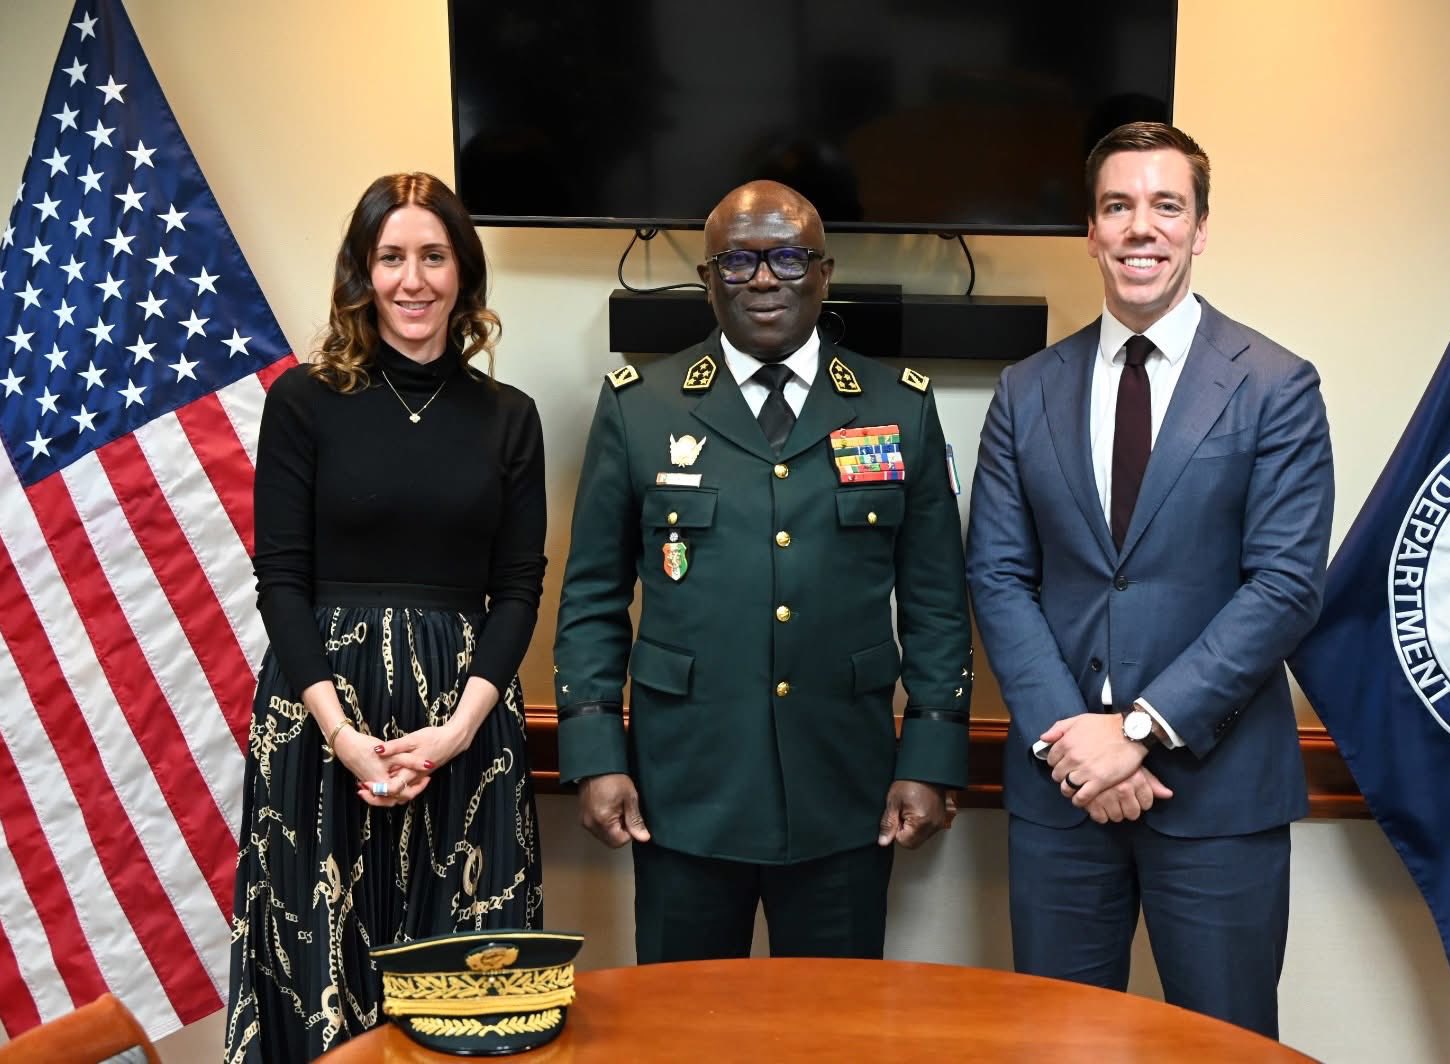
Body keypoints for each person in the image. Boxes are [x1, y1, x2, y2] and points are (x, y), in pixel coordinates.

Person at [965, 123, 1334, 1038]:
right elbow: (999, 576)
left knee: (1225, 1047)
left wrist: (1136, 730)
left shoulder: (1275, 386)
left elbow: (1284, 586)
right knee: (1057, 1044)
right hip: (1061, 794)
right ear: (1090, 232)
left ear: (1200, 228)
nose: (1142, 227)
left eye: (1167, 206)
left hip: (1217, 797)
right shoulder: (1025, 391)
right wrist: (1075, 746)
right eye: (1118, 206)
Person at [553, 180, 972, 963]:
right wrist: (595, 754)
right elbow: (592, 599)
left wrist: (931, 756)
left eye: (788, 257)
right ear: (708, 279)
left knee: (833, 1025)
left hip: (843, 787)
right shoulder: (641, 408)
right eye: (738, 261)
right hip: (684, 789)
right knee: (682, 1023)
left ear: (824, 273)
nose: (763, 279)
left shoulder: (897, 406)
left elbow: (937, 603)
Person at [223, 173, 546, 1062]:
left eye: (434, 257)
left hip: (466, 727)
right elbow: (281, 581)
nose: (413, 280)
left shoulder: (509, 418)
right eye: (391, 257)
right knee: (318, 973)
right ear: (362, 274)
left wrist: (455, 733)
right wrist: (343, 736)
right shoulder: (302, 402)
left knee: (468, 990)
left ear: (463, 273)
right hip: (323, 723)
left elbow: (519, 589)